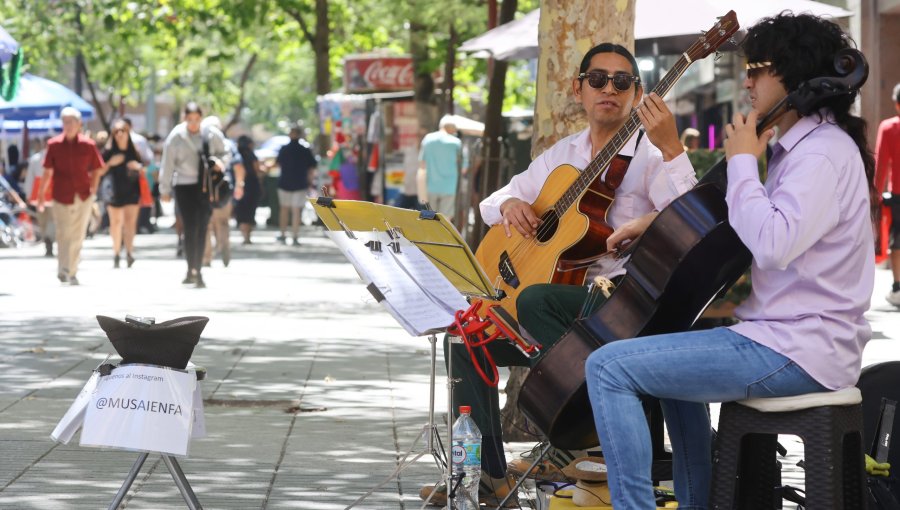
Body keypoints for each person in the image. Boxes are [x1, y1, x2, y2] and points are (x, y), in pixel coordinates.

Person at [582, 13, 875, 509]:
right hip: (786, 338)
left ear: (795, 76)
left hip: (798, 348)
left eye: (759, 68)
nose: (748, 79)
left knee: (608, 368)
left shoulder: (820, 154)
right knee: (666, 363)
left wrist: (742, 161)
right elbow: (732, 226)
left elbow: (772, 244)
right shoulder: (799, 147)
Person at [421, 42, 697, 507]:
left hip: (619, 302)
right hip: (562, 303)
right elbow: (493, 204)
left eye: (622, 81)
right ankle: (488, 477)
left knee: (535, 302)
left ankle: (581, 440)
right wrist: (511, 204)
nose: (609, 88)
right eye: (598, 79)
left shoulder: (651, 156)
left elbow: (689, 217)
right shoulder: (563, 155)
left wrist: (671, 151)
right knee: (467, 338)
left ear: (638, 91)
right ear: (579, 88)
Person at [159, 102, 231, 288]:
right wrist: (164, 189)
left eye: (196, 119)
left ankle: (197, 269)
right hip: (184, 186)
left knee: (202, 226)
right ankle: (192, 268)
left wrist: (220, 163)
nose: (193, 123)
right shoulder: (175, 137)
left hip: (205, 187)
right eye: (189, 119)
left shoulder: (211, 134)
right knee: (190, 227)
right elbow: (167, 164)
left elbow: (226, 151)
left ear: (201, 118)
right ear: (184, 118)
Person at [37, 107, 106, 286]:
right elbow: (47, 172)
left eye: (71, 122)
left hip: (83, 195)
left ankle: (72, 270)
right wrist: (41, 195)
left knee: (77, 234)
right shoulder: (54, 144)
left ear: (79, 124)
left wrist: (93, 190)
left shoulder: (88, 145)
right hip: (60, 195)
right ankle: (63, 269)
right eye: (65, 122)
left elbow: (98, 169)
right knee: (62, 232)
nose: (67, 125)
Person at [201, 116, 244, 268]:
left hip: (208, 188)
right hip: (224, 189)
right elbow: (238, 166)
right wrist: (240, 185)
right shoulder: (229, 145)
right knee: (222, 222)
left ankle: (207, 257)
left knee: (206, 223)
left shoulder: (201, 142)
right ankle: (223, 248)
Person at [102, 119, 144, 268]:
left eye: (123, 131)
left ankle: (129, 253)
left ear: (128, 133)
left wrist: (137, 167)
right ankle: (116, 253)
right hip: (114, 192)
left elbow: (145, 169)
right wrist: (111, 163)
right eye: (116, 131)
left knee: (130, 223)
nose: (120, 134)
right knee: (115, 222)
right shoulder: (108, 153)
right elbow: (99, 171)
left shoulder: (135, 152)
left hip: (132, 191)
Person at [875, 83, 900, 307]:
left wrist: (875, 192)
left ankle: (898, 287)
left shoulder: (889, 127)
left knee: (897, 240)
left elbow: (882, 162)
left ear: (896, 104)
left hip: (897, 193)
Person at [275, 124, 316, 245]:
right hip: (300, 183)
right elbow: (311, 168)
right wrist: (309, 181)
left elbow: (278, 164)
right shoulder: (305, 150)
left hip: (285, 183)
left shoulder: (284, 149)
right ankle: (295, 236)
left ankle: (283, 234)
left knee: (284, 209)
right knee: (296, 210)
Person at [417, 115, 464, 221]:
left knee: (428, 217)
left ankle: (428, 237)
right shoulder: (456, 142)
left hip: (430, 185)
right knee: (445, 219)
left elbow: (422, 163)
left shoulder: (428, 139)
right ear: (451, 128)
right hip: (449, 186)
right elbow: (463, 168)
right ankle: (440, 238)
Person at [23, 138, 54, 257]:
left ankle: (49, 239)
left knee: (52, 218)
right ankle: (47, 240)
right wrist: (28, 194)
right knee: (43, 219)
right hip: (39, 192)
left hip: (52, 192)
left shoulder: (58, 157)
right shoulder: (36, 159)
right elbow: (30, 177)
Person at [234, 135, 261, 244]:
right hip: (252, 185)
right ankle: (247, 236)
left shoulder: (235, 155)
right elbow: (257, 169)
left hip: (238, 185)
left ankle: (245, 235)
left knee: (241, 210)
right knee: (250, 211)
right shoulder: (251, 155)